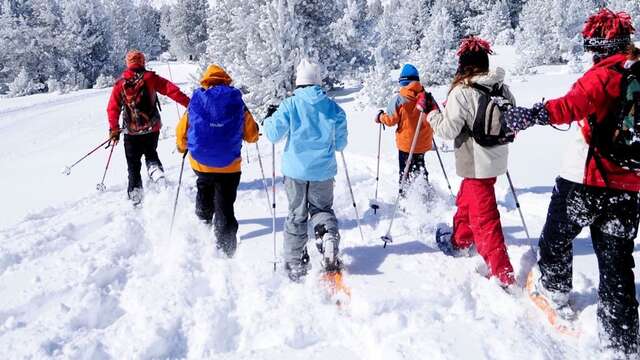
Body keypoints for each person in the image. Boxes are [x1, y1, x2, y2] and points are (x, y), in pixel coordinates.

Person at [504, 9, 640, 356]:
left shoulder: (604, 75)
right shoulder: (635, 73)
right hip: (629, 186)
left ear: (600, 44)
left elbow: (570, 106)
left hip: (585, 179)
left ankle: (554, 288)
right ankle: (621, 341)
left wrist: (530, 114)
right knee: (617, 265)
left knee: (556, 237)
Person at [418, 36, 516, 287]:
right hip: (496, 158)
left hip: (475, 163)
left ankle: (502, 273)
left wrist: (431, 111)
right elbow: (512, 119)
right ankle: (460, 241)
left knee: (486, 220)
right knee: (465, 201)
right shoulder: (501, 88)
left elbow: (447, 130)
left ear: (463, 66)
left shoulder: (462, 92)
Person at [263, 59, 348, 281]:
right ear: (318, 81)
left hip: (295, 172)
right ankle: (328, 236)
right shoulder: (332, 107)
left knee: (297, 215)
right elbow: (340, 144)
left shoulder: (290, 104)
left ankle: (295, 262)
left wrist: (269, 118)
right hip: (323, 171)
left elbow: (273, 135)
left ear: (299, 82)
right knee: (322, 210)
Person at [176, 65, 259, 257]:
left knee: (204, 188)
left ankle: (202, 225)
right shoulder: (236, 100)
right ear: (226, 80)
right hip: (229, 166)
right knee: (225, 204)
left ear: (206, 80)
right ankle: (226, 250)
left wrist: (182, 147)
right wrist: (254, 136)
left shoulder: (197, 99)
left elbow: (182, 130)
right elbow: (252, 134)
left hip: (201, 163)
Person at [107, 50, 190, 204]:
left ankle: (136, 199)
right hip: (152, 129)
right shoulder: (151, 78)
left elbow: (113, 108)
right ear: (143, 62)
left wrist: (114, 129)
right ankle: (157, 176)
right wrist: (190, 104)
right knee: (151, 153)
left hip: (131, 133)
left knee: (133, 166)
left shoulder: (120, 83)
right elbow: (172, 91)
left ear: (128, 63)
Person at [376, 64, 433, 192]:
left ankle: (405, 196)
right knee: (420, 166)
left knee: (405, 171)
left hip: (407, 144)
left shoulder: (399, 99)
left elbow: (391, 120)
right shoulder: (427, 97)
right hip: (423, 142)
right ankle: (425, 193)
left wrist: (380, 117)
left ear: (403, 81)